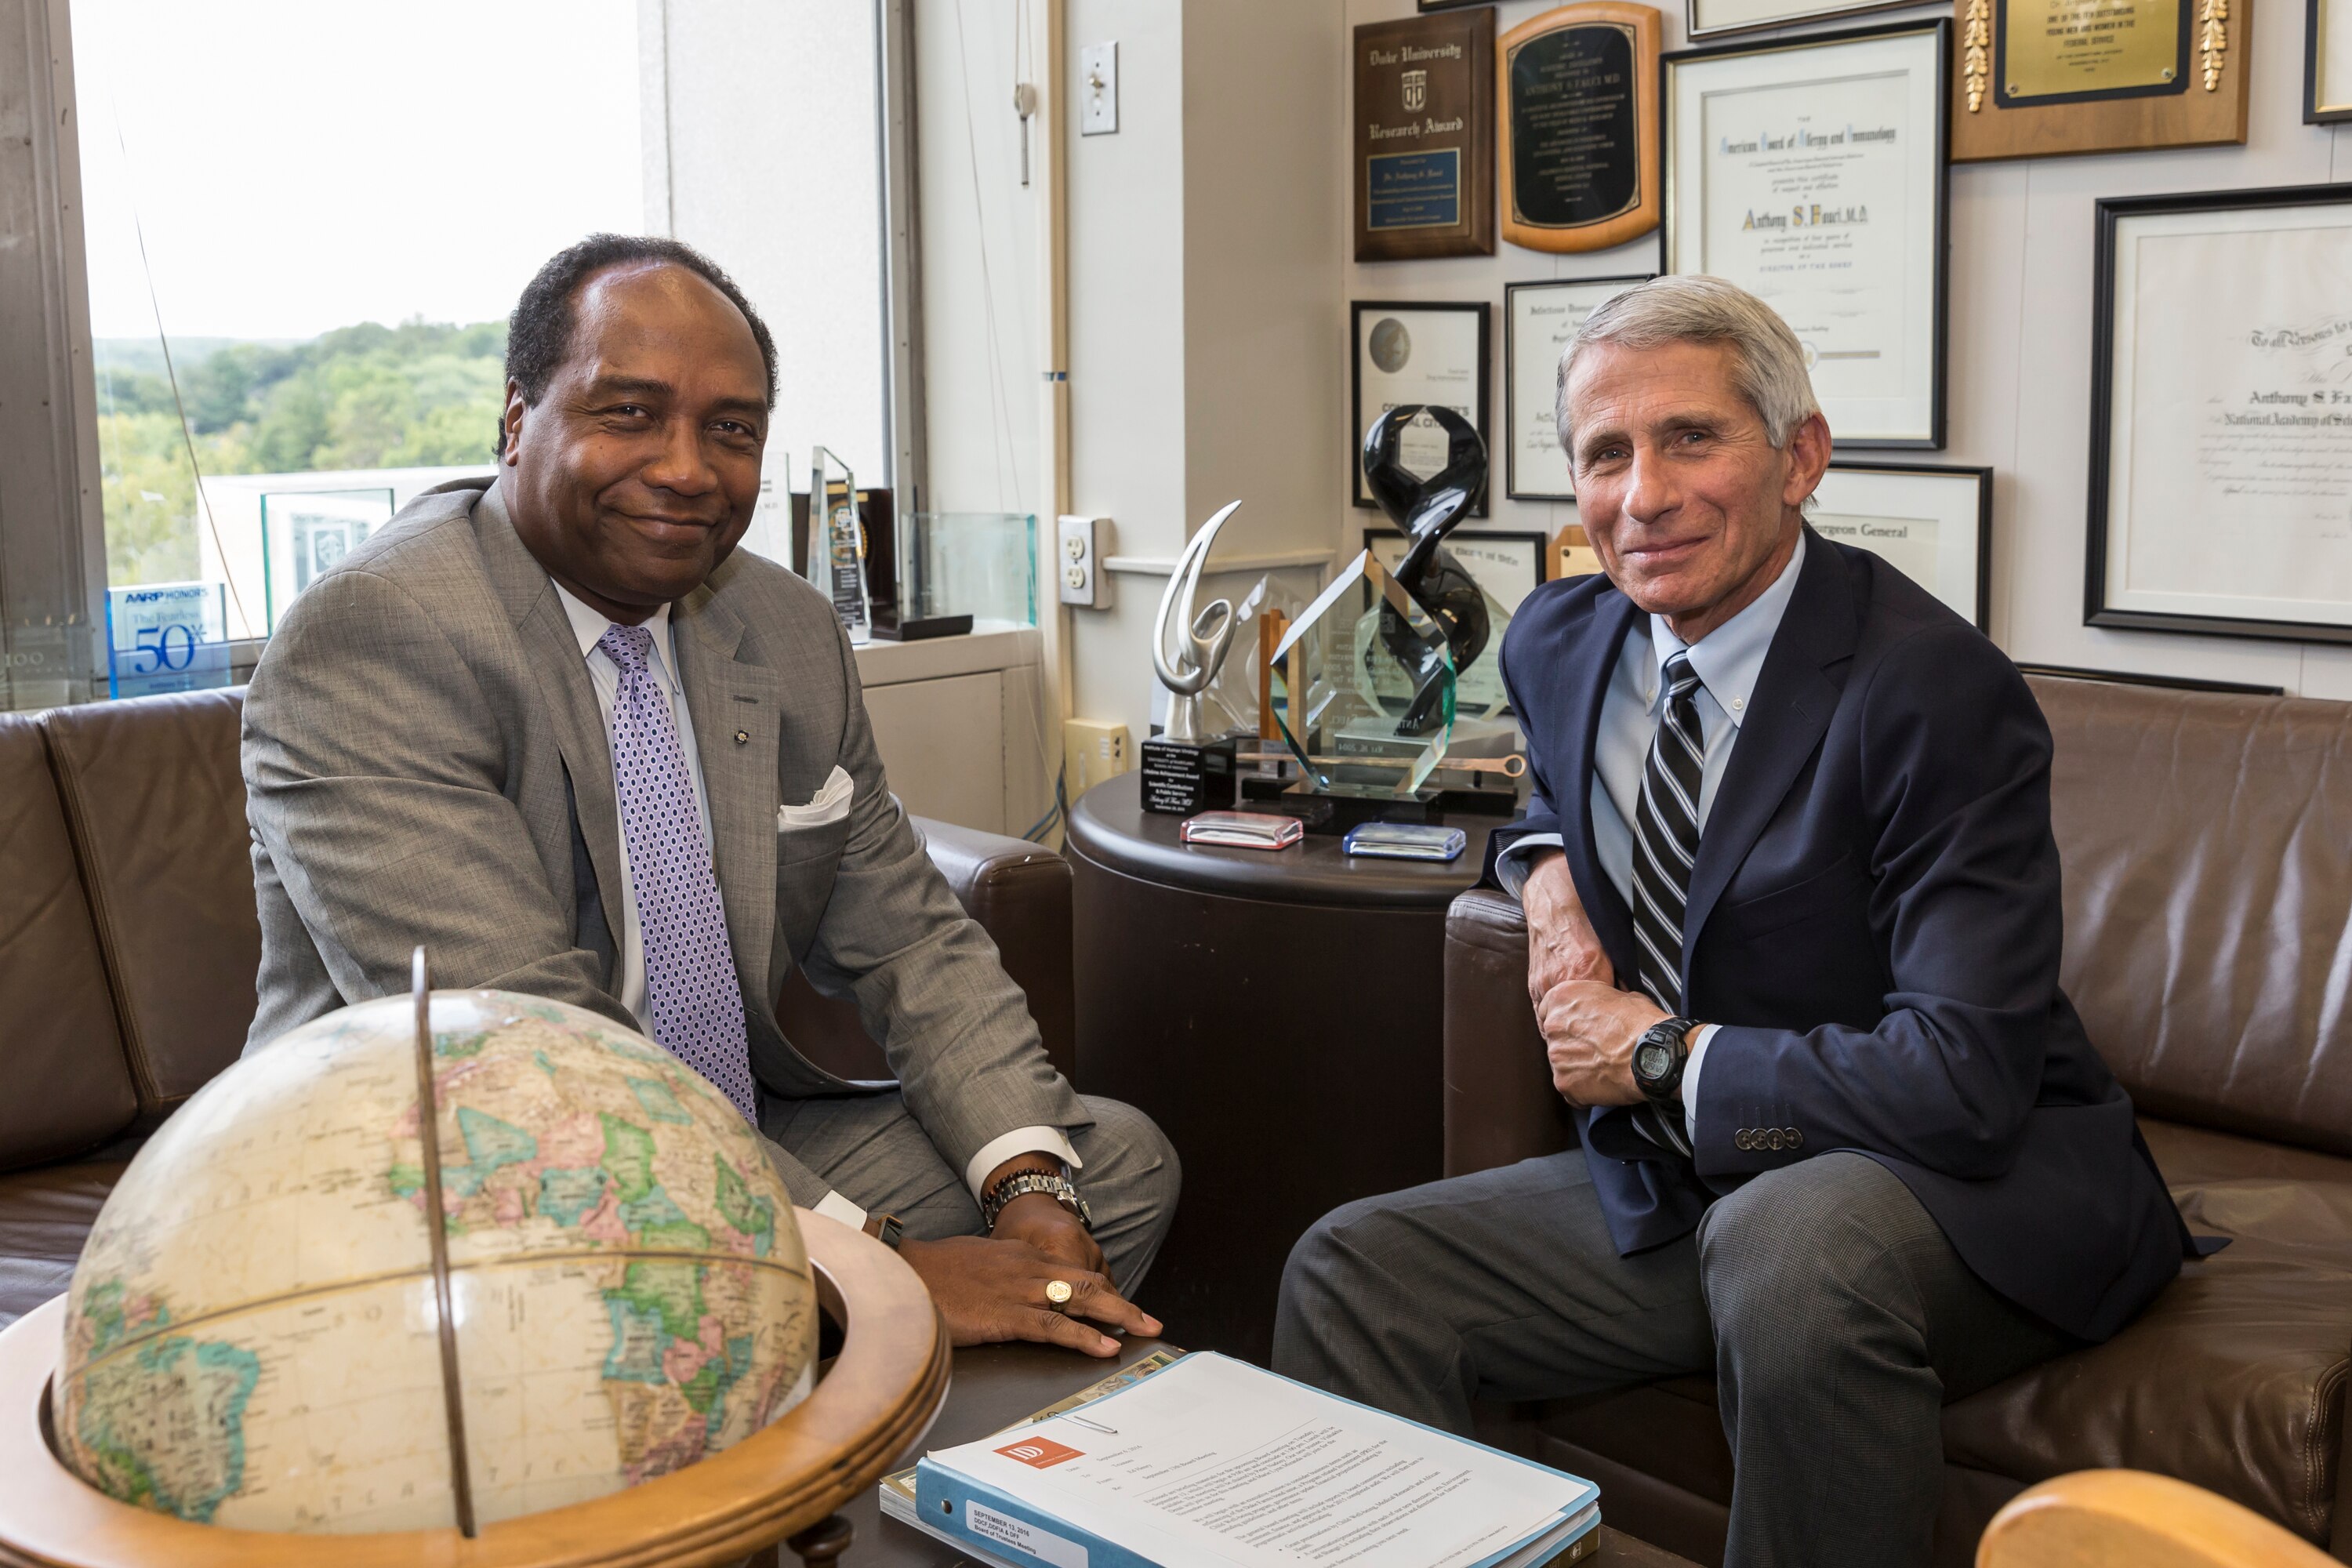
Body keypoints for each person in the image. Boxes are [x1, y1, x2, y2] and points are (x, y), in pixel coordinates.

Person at [1272, 276, 2195, 1566]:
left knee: (1785, 1244)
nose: (1643, 495)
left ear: (1799, 457)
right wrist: (1541, 881)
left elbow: (1967, 1081)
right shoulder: (1561, 636)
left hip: (1968, 1184)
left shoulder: (1929, 690)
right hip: (1708, 1178)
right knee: (1352, 1274)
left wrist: (1660, 1056)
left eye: (1691, 438)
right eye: (1606, 454)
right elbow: (1546, 790)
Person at [241, 234, 1178, 1359]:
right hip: (460, 1175)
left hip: (730, 1125)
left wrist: (1034, 1190)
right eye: (629, 413)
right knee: (733, 1300)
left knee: (1112, 1165)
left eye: (730, 430)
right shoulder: (379, 638)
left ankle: (885, 1460)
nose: (688, 467)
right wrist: (874, 1260)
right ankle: (802, 1382)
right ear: (516, 419)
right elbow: (531, 1060)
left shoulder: (779, 630)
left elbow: (913, 943)